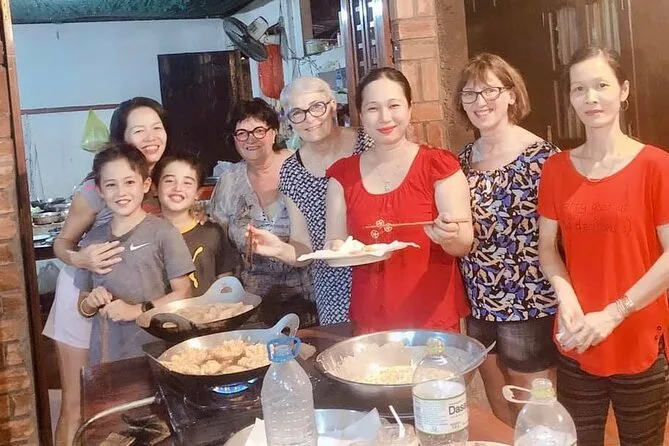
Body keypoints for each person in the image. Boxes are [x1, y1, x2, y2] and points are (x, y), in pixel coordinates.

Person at [538, 46, 669, 445]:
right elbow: (548, 249)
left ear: (623, 90)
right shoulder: (556, 169)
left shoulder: (655, 166)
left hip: (639, 336)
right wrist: (567, 300)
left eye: (601, 86)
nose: (590, 98)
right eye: (579, 89)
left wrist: (614, 313)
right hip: (578, 337)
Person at [43, 96, 169, 445]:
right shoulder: (96, 187)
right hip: (84, 294)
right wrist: (81, 259)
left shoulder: (157, 177)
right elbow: (62, 242)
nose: (150, 137)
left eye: (157, 127)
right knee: (77, 403)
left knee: (120, 400)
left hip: (127, 302)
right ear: (121, 137)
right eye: (138, 130)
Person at [324, 67, 473, 333]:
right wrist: (336, 248)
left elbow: (463, 244)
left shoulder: (438, 165)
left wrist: (449, 236)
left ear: (409, 109)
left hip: (432, 315)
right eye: (372, 108)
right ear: (361, 115)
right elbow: (334, 244)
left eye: (394, 105)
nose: (385, 118)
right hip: (372, 316)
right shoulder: (342, 176)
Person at [454, 53, 560, 426]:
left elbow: (559, 236)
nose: (480, 102)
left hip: (529, 298)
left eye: (490, 91)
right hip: (478, 297)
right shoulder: (463, 158)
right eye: (470, 94)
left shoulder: (543, 158)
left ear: (512, 95)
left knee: (533, 403)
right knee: (496, 391)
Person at [247, 76, 374, 324]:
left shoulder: (368, 143)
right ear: (288, 120)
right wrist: (279, 249)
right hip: (333, 288)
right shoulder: (292, 170)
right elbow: (303, 245)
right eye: (297, 113)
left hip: (381, 274)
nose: (309, 118)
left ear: (333, 105)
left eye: (317, 106)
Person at [75, 143, 194, 364]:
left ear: (146, 184)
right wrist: (91, 302)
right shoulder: (92, 240)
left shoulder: (164, 232)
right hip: (107, 356)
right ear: (100, 190)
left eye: (129, 182)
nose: (121, 192)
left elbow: (184, 293)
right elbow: (83, 307)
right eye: (111, 185)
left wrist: (137, 310)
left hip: (159, 353)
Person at [209, 98, 316, 327]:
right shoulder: (229, 181)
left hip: (310, 298)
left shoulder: (302, 168)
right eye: (242, 133)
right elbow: (219, 242)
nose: (251, 139)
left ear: (274, 132)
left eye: (259, 130)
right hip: (251, 305)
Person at [152, 153, 237, 294]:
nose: (178, 188)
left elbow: (225, 282)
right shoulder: (146, 235)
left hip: (208, 308)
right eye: (169, 181)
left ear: (198, 192)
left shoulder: (212, 232)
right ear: (154, 188)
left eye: (187, 183)